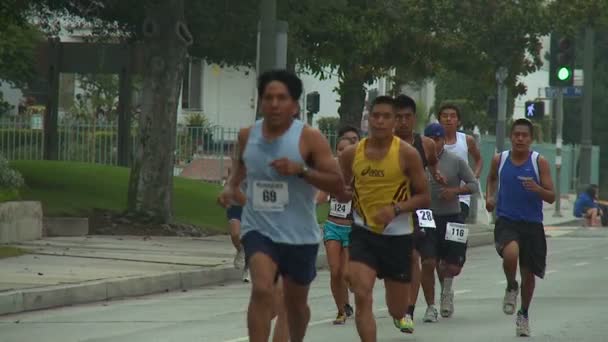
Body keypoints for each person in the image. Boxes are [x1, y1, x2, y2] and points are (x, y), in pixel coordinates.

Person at [218, 69, 344, 342]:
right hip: (259, 228)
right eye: (268, 97)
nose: (274, 104)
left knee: (295, 304)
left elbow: (337, 183)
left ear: (295, 105)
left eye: (282, 98)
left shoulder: (309, 138)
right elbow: (239, 172)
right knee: (262, 289)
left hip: (299, 234)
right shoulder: (246, 135)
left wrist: (301, 171)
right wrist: (229, 189)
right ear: (261, 102)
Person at [338, 96, 430, 340]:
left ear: (394, 121)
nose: (379, 121)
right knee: (362, 294)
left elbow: (424, 197)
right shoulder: (350, 154)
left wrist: (396, 210)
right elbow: (344, 187)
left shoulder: (407, 154)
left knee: (397, 309)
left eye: (386, 116)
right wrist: (343, 193)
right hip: (363, 233)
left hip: (397, 237)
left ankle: (400, 313)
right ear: (368, 120)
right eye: (374, 116)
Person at [485, 118, 555, 337]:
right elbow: (492, 179)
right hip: (507, 220)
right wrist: (490, 197)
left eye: (525, 135)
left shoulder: (539, 162)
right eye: (517, 135)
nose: (520, 139)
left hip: (532, 225)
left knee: (529, 275)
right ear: (511, 137)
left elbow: (551, 196)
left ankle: (523, 314)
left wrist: (537, 188)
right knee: (511, 253)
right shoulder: (500, 159)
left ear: (531, 139)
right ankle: (510, 286)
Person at [394, 94, 445, 325]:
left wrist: (435, 173)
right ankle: (405, 307)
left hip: (422, 208)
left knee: (425, 259)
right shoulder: (385, 143)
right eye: (398, 117)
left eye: (407, 117)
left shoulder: (425, 144)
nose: (403, 122)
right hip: (395, 208)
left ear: (414, 119)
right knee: (405, 258)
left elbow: (433, 160)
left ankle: (415, 308)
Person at [418, 123, 478, 322]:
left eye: (438, 139)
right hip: (426, 216)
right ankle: (430, 306)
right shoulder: (416, 160)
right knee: (428, 262)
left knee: (450, 266)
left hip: (452, 216)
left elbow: (473, 185)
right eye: (430, 139)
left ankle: (447, 291)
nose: (434, 143)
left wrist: (455, 191)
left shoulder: (456, 161)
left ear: (444, 140)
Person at [316, 137, 356, 325]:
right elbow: (321, 196)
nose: (341, 153)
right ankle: (341, 310)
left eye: (345, 150)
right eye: (339, 149)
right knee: (335, 271)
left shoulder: (359, 174)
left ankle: (353, 286)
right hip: (332, 226)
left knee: (347, 273)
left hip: (350, 229)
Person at [437, 104, 483, 222]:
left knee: (455, 235)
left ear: (458, 121)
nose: (448, 119)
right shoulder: (431, 142)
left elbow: (478, 160)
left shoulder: (466, 140)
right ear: (439, 120)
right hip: (436, 196)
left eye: (452, 116)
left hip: (461, 197)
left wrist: (474, 176)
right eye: (445, 116)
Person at [224, 167, 250, 282]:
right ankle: (240, 250)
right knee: (235, 235)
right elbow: (228, 185)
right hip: (235, 207)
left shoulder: (257, 169)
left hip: (250, 209)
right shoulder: (233, 169)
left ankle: (247, 270)